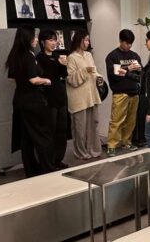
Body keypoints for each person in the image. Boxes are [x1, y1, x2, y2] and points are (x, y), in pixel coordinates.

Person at [5, 26, 55, 177]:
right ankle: (48, 170)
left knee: (26, 138)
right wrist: (46, 80)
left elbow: (12, 79)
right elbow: (33, 79)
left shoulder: (14, 55)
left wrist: (23, 83)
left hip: (19, 100)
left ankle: (31, 172)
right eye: (34, 37)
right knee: (43, 136)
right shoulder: (28, 55)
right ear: (27, 38)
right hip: (33, 102)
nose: (36, 40)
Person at [34, 29, 69, 168]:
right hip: (48, 100)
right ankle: (48, 162)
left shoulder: (57, 56)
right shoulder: (39, 58)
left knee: (62, 131)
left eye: (55, 40)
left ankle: (58, 159)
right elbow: (41, 77)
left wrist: (64, 65)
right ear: (43, 42)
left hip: (61, 97)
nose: (54, 43)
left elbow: (63, 75)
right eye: (51, 40)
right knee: (50, 132)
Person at [66, 30, 103, 160]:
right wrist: (84, 71)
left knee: (94, 125)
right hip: (78, 98)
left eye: (88, 40)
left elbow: (94, 72)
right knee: (80, 128)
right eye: (85, 40)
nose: (87, 43)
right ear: (79, 40)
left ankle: (93, 150)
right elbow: (71, 79)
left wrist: (99, 77)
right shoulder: (72, 57)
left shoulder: (89, 55)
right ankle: (81, 152)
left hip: (91, 95)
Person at [105, 29, 142, 155]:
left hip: (134, 92)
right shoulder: (112, 56)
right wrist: (128, 68)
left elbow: (140, 74)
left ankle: (127, 142)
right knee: (116, 120)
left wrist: (137, 69)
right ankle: (112, 145)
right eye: (126, 43)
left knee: (131, 121)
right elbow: (112, 74)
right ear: (120, 41)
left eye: (131, 43)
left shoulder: (135, 56)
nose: (129, 46)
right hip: (120, 92)